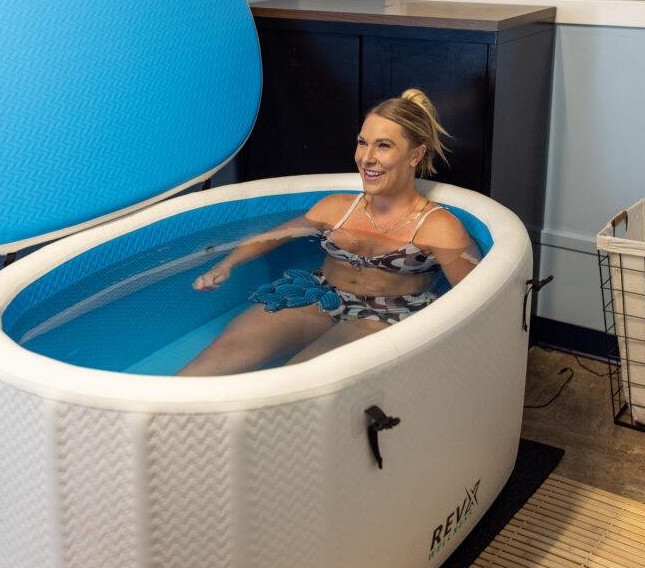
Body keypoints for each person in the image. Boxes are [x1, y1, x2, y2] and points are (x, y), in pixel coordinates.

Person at [178, 88, 480, 376]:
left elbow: (475, 297)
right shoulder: (336, 208)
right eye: (362, 142)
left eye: (383, 145)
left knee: (296, 378)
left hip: (387, 312)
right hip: (322, 293)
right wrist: (227, 264)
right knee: (222, 353)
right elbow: (273, 237)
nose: (366, 157)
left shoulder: (438, 227)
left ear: (415, 155)